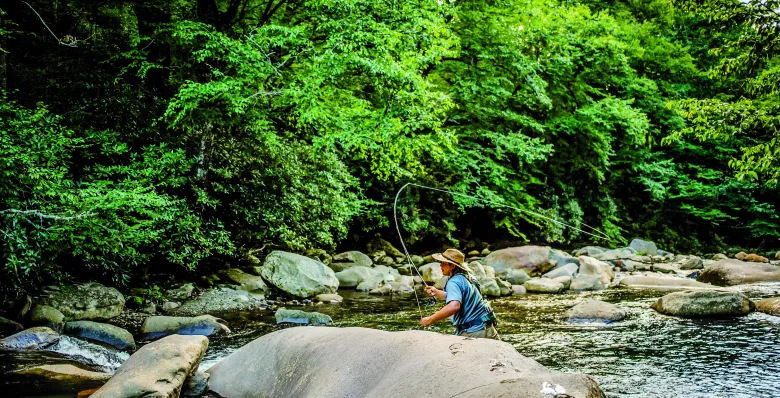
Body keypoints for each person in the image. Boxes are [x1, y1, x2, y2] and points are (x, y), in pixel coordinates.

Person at [420, 248, 500, 340]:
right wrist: (437, 292)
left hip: (473, 332)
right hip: (488, 328)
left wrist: (430, 319)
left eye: (444, 263)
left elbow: (454, 306)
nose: (440, 266)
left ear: (453, 266)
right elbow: (461, 297)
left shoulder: (453, 282)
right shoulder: (469, 277)